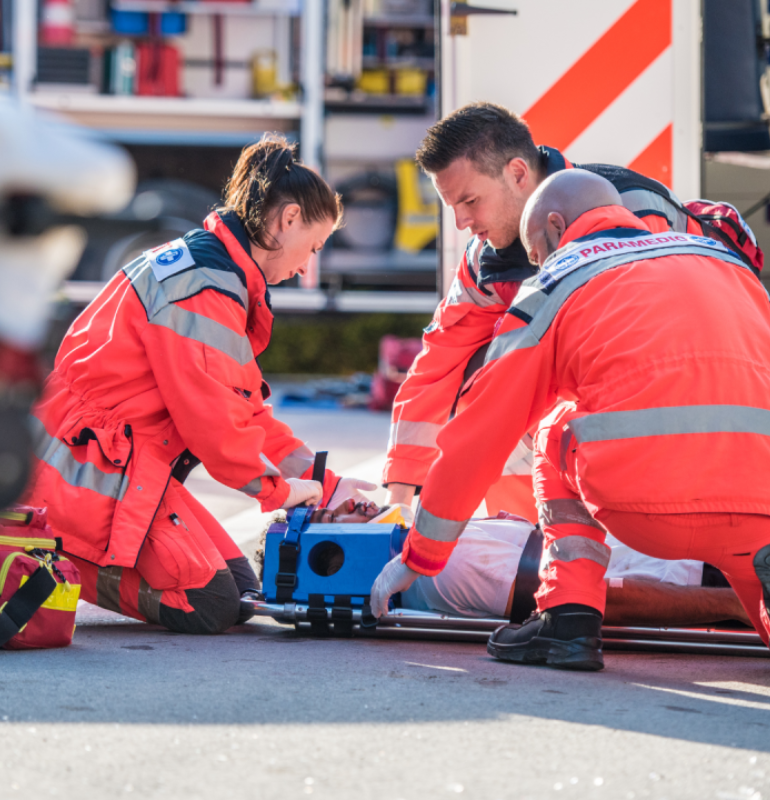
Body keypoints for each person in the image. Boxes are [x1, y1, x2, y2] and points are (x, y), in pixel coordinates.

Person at [371, 169, 770, 671]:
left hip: (647, 507)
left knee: (558, 423)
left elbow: (481, 429)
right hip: (758, 509)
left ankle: (568, 617)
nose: (536, 264)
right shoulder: (721, 261)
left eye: (536, 252)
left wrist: (420, 556)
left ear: (556, 228)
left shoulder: (559, 279)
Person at [25, 135, 375, 635]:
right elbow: (218, 429)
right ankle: (57, 550)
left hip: (116, 464)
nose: (305, 267)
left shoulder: (215, 274)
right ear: (288, 219)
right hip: (87, 471)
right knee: (211, 605)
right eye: (312, 248)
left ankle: (73, 543)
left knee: (241, 593)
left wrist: (329, 486)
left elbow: (245, 412)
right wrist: (280, 491)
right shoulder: (204, 288)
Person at [383, 102, 761, 524]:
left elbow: (661, 351)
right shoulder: (485, 261)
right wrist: (398, 496)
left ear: (518, 174)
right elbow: (439, 364)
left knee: (518, 402)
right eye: (452, 205)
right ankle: (527, 542)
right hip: (635, 407)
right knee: (481, 390)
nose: (460, 222)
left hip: (692, 414)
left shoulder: (633, 212)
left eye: (470, 200)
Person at [255, 500, 749, 628]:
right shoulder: (436, 571)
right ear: (328, 549)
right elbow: (597, 598)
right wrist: (736, 604)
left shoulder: (429, 544)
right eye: (330, 519)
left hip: (695, 542)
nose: (350, 506)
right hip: (696, 568)